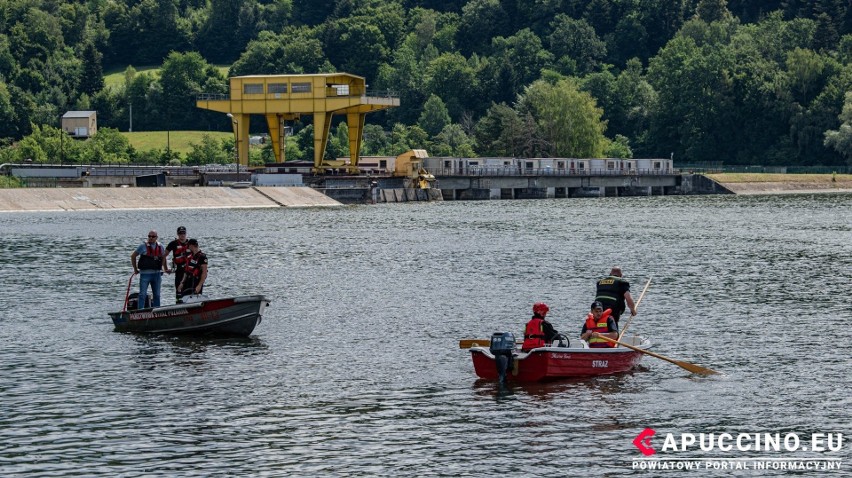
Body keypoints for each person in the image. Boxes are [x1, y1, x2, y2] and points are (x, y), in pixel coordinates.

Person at [130, 230, 167, 308]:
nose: (150, 238)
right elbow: (133, 256)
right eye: (149, 236)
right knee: (142, 294)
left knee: (157, 294)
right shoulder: (142, 246)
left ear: (156, 237)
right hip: (145, 274)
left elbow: (164, 257)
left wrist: (164, 268)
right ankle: (140, 310)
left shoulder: (160, 247)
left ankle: (157, 310)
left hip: (156, 274)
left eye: (153, 237)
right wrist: (135, 269)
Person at [165, 226, 191, 303]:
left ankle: (190, 306)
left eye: (184, 233)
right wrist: (166, 268)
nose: (182, 235)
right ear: (177, 234)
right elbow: (163, 256)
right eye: (180, 233)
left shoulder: (190, 243)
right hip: (179, 271)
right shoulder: (173, 244)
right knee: (179, 290)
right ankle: (179, 305)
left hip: (189, 271)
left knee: (189, 290)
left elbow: (197, 255)